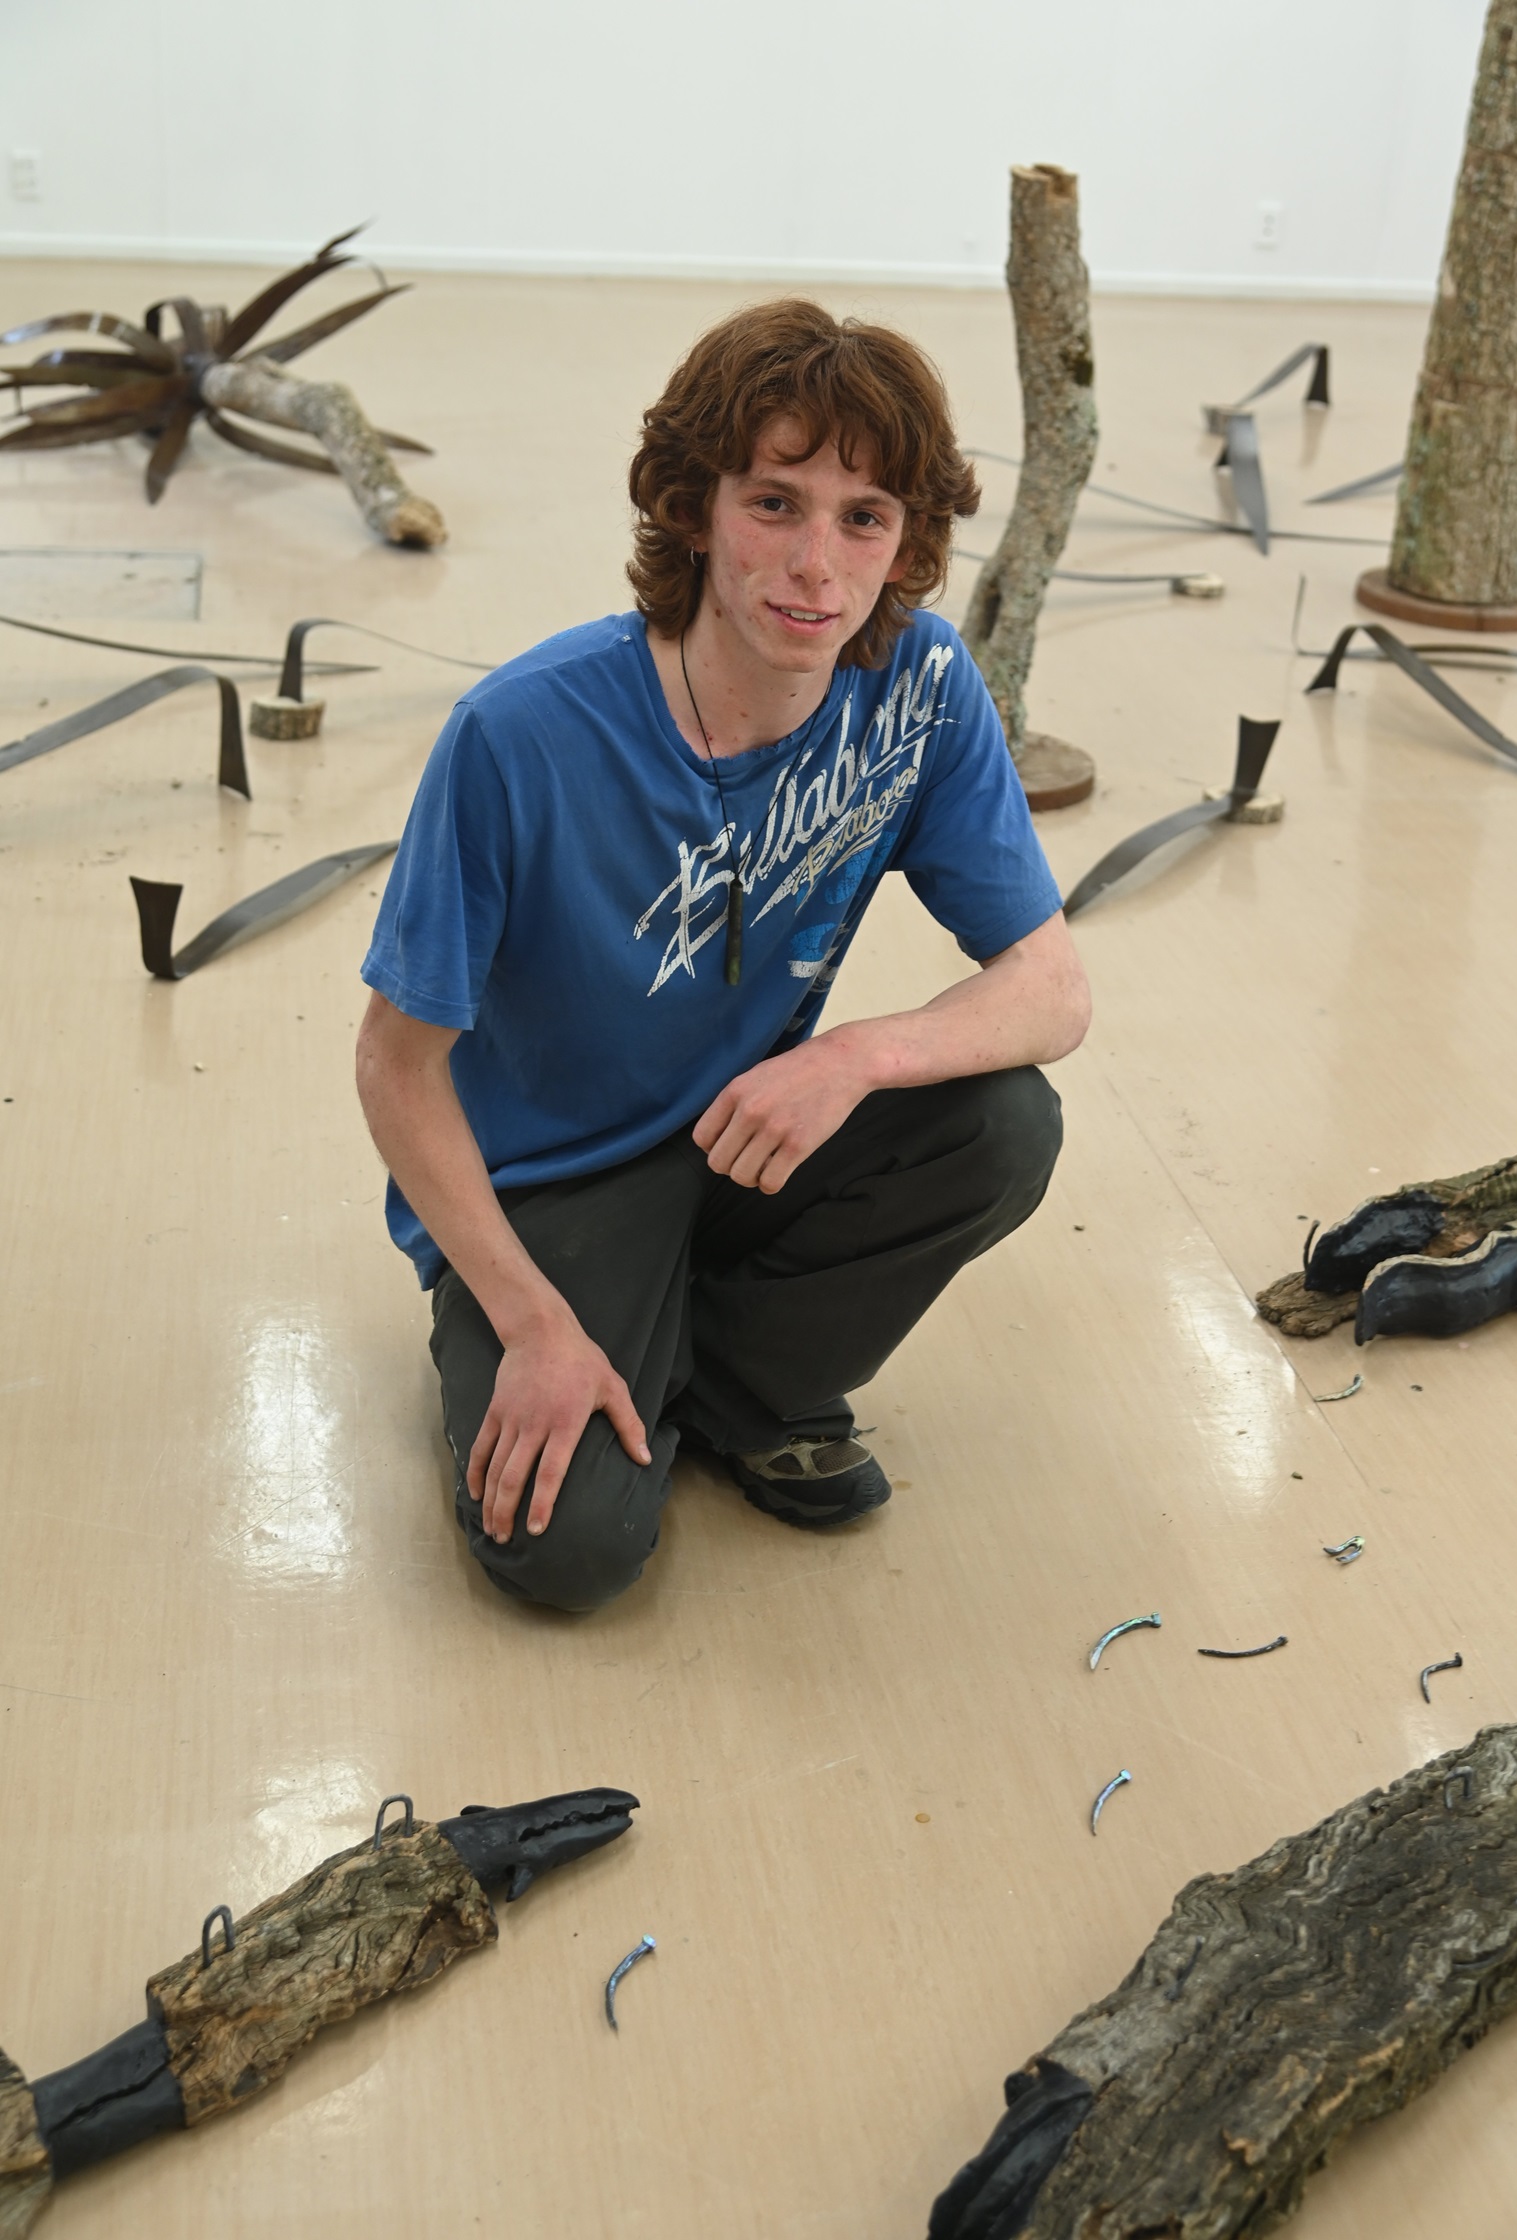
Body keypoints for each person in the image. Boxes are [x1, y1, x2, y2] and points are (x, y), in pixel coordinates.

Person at [355, 298, 1091, 1614]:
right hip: (550, 1180)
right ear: (693, 508)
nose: (816, 563)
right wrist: (532, 1325)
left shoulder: (918, 684)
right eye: (774, 504)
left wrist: (858, 1056)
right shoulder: (520, 734)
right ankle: (585, 1335)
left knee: (1000, 1123)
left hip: (736, 1136)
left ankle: (744, 1390)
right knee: (569, 1558)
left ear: (906, 544)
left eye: (863, 518)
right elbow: (396, 1067)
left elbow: (1050, 989)